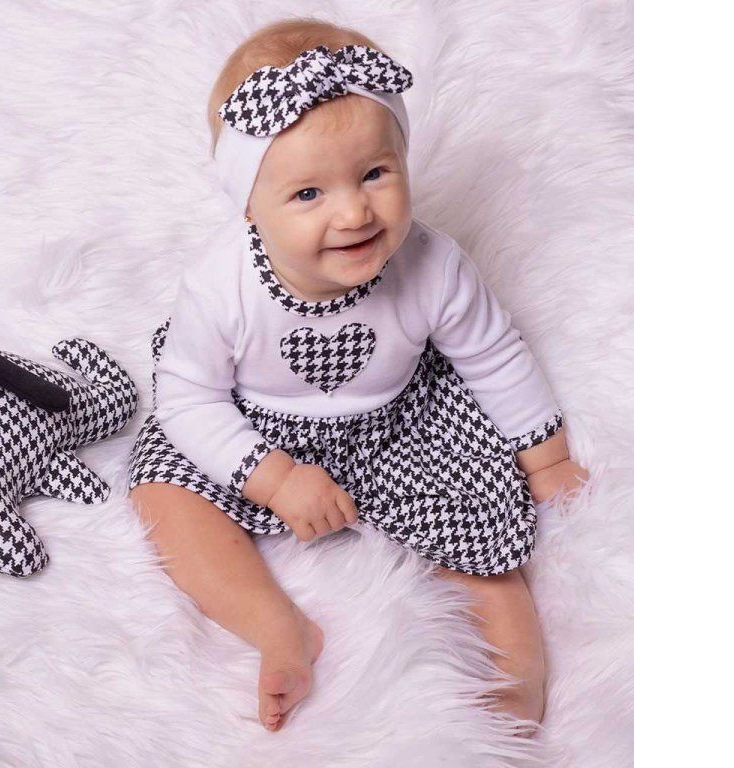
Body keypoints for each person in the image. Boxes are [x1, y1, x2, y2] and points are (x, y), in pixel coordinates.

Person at [127, 17, 588, 734]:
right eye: (308, 194)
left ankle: (512, 701)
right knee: (163, 491)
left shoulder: (433, 265)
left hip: (402, 423)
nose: (352, 212)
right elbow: (188, 398)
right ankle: (278, 628)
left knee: (486, 540)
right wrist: (274, 478)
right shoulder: (221, 286)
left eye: (375, 173)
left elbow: (494, 354)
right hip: (256, 424)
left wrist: (547, 457)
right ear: (248, 205)